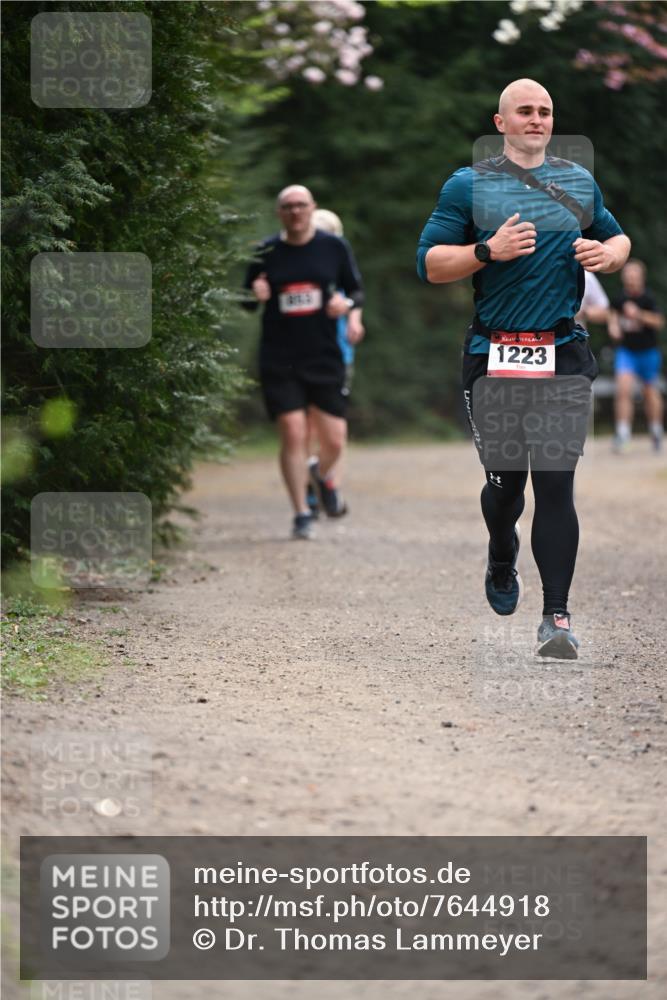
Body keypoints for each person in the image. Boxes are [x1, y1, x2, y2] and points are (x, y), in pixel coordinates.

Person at [417, 78, 630, 659]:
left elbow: (617, 238)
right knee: (507, 485)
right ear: (502, 122)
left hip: (562, 350)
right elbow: (431, 264)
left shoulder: (576, 181)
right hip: (495, 354)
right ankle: (500, 547)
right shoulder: (468, 186)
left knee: (557, 484)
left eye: (545, 111)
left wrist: (608, 255)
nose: (536, 119)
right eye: (525, 112)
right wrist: (487, 252)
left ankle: (556, 618)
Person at [243, 185, 364, 539]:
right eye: (288, 207)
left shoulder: (333, 247)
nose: (295, 212)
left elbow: (355, 290)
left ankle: (319, 473)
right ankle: (301, 513)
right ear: (280, 212)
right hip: (280, 356)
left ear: (312, 209)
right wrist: (256, 294)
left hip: (324, 355)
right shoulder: (266, 251)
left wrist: (346, 307)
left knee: (335, 441)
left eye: (301, 206)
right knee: (293, 433)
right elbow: (246, 299)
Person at [305, 208, 364, 517]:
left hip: (339, 354)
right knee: (310, 428)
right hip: (305, 354)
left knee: (333, 428)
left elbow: (355, 295)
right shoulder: (304, 265)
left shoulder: (339, 264)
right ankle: (311, 488)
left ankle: (329, 486)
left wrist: (354, 319)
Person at [607, 259, 664, 452]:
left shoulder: (648, 298)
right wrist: (613, 327)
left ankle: (656, 430)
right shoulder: (619, 298)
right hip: (627, 351)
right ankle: (623, 432)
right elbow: (613, 316)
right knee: (623, 389)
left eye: (634, 274)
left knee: (650, 392)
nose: (630, 277)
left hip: (648, 352)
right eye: (628, 274)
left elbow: (658, 322)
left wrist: (638, 314)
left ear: (641, 277)